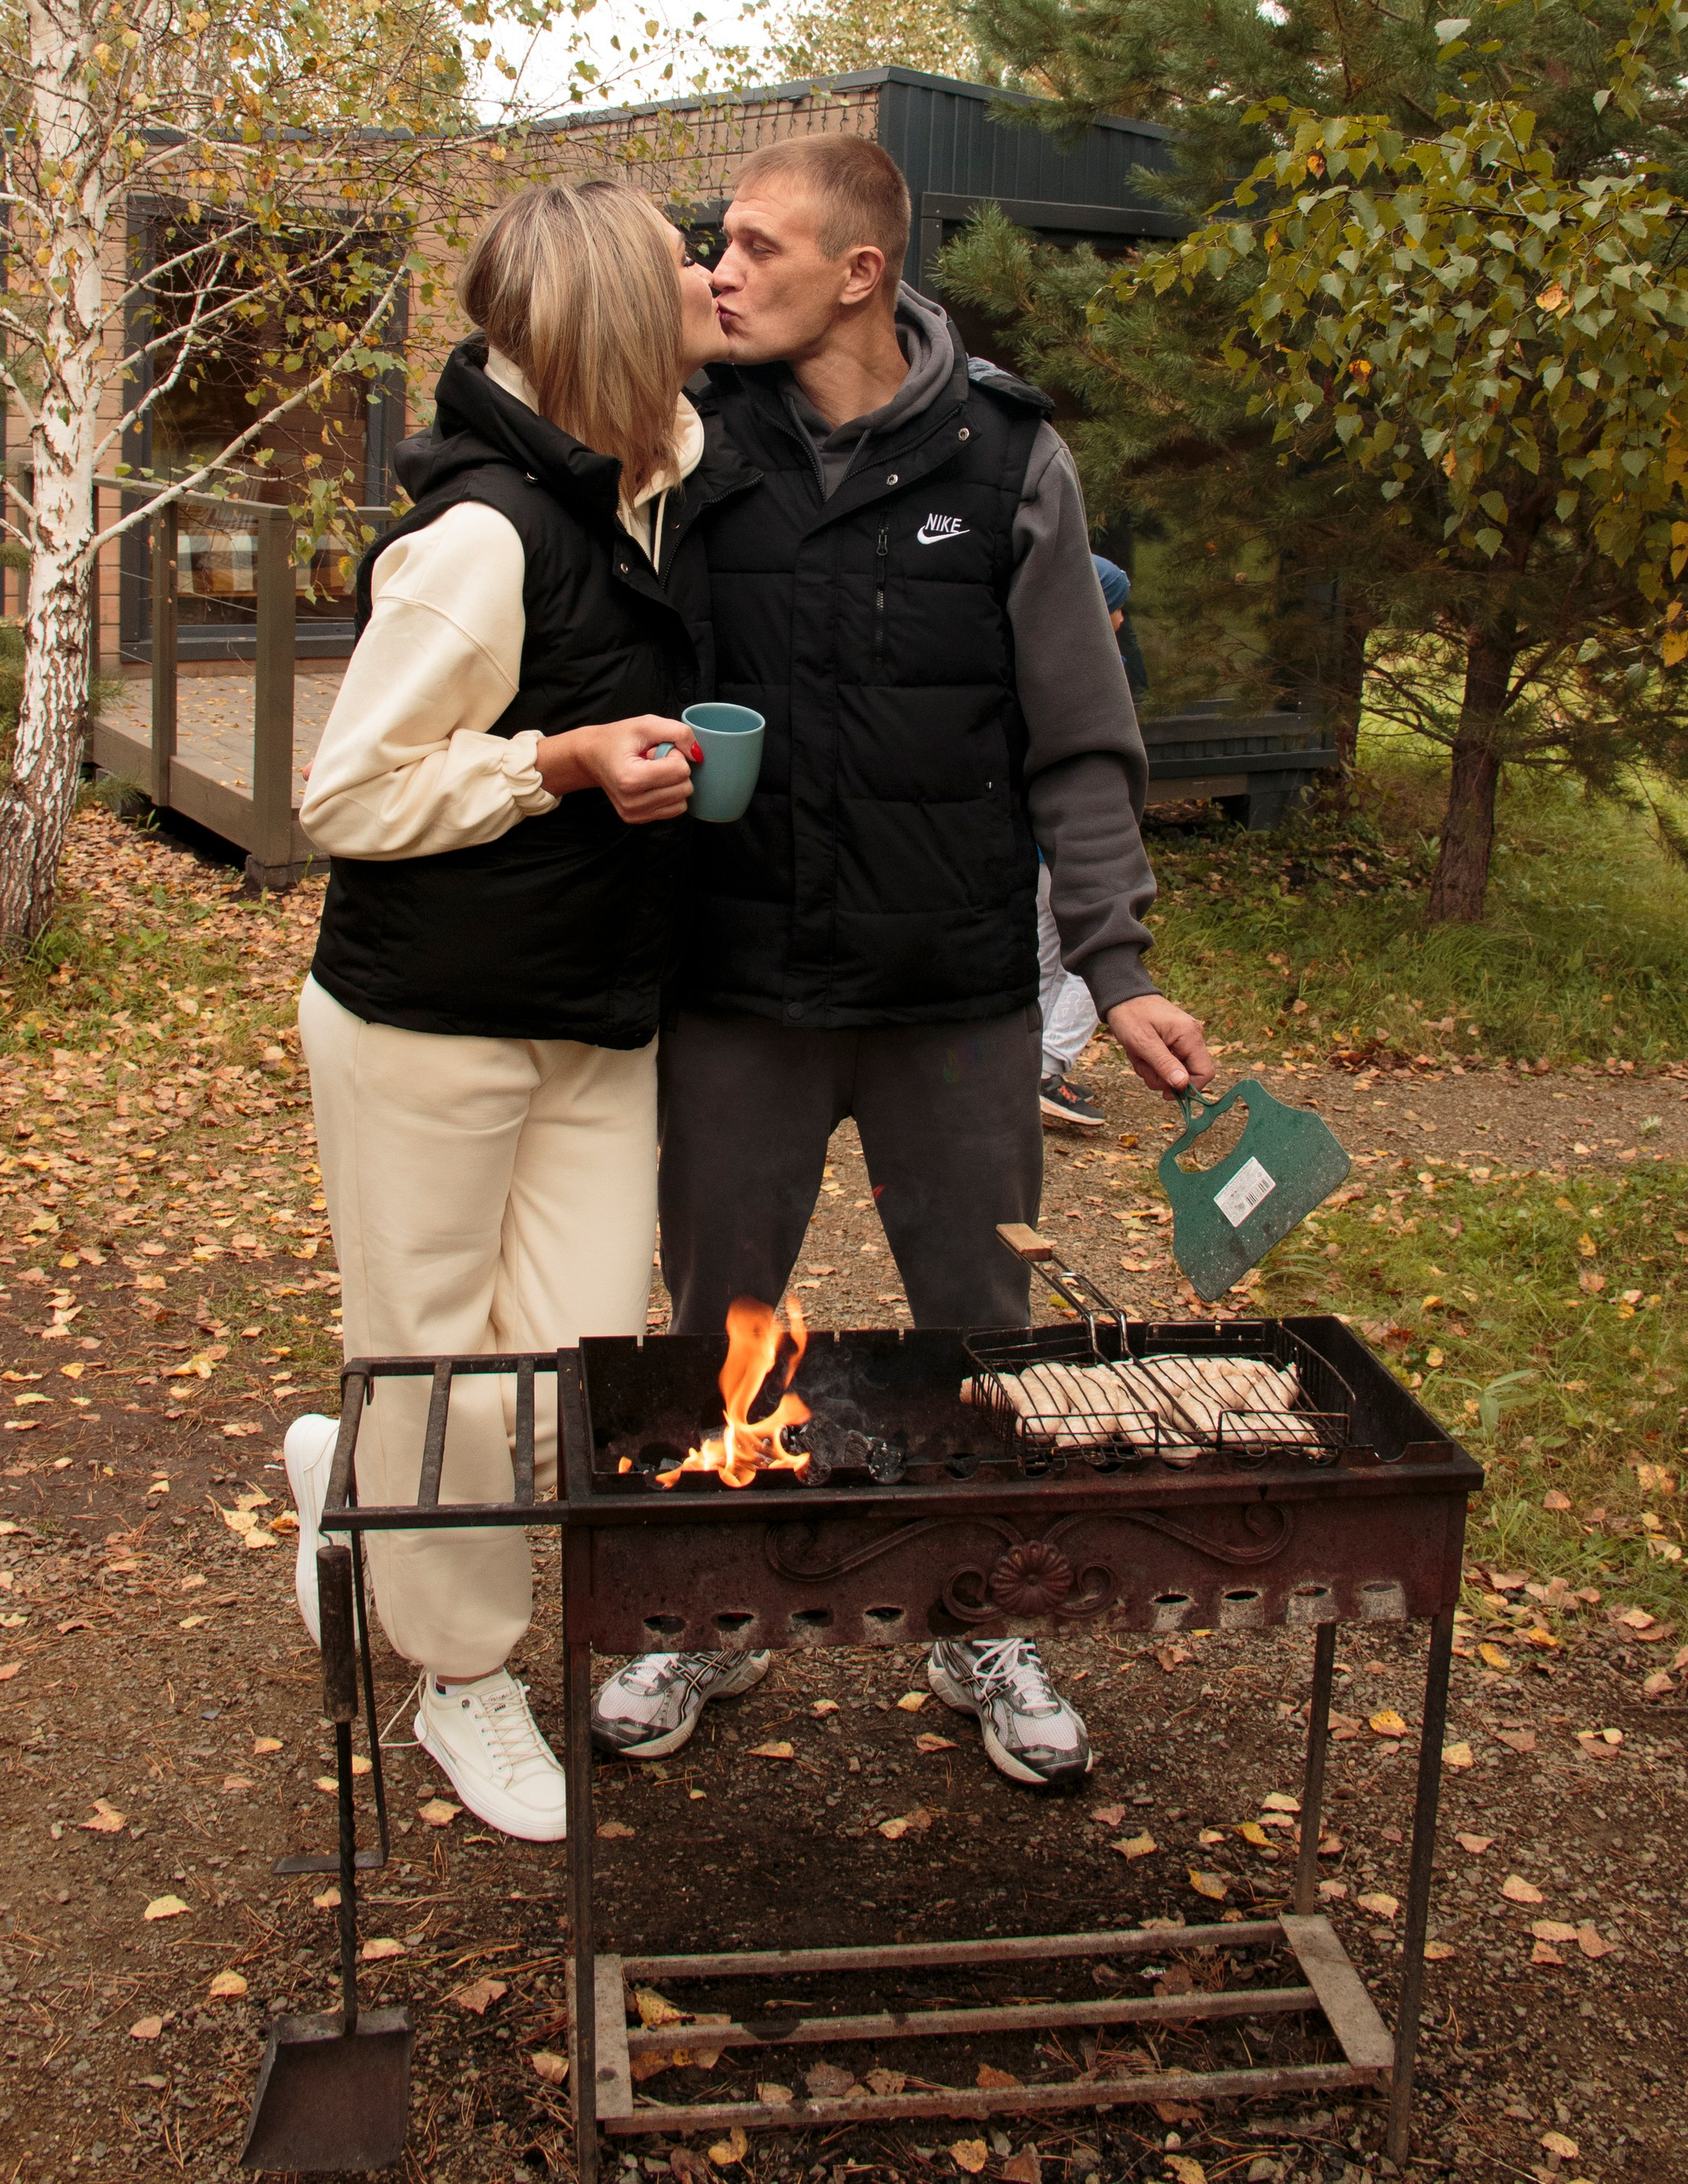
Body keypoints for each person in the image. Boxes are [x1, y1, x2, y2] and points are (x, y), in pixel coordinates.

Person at [591, 133, 1213, 1793]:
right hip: (740, 987)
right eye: (709, 248)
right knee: (718, 1314)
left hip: (951, 999)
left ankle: (976, 1609)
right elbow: (495, 388)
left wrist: (1118, 961)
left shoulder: (1007, 459)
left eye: (749, 247)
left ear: (859, 273)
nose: (715, 271)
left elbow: (1079, 742)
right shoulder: (686, 441)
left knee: (976, 1330)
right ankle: (703, 1605)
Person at [278, 178, 737, 1843]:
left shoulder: (654, 486)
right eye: (683, 266)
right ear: (613, 318)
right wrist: (552, 759)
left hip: (596, 1013)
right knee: (437, 1354)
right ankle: (462, 1677)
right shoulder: (481, 539)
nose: (710, 278)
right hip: (430, 1019)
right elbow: (343, 795)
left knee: (562, 1373)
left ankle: (360, 1465)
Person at [1038, 558, 1137, 1131]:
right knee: (1091, 957)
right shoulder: (1092, 670)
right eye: (1116, 604)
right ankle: (1049, 1068)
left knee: (1046, 955)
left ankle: (1030, 1068)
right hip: (1069, 846)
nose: (1123, 617)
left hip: (1036, 847)